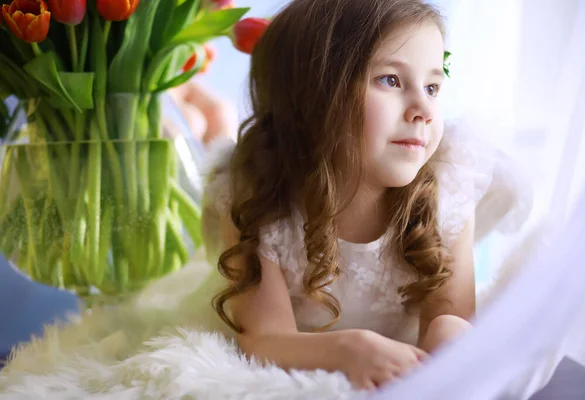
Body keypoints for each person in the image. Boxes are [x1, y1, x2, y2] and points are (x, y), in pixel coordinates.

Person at [200, 0, 530, 391]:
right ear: (311, 99)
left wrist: (447, 355)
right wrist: (348, 348)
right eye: (390, 80)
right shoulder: (256, 195)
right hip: (306, 353)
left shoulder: (447, 180)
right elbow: (264, 340)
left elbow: (450, 315)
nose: (424, 108)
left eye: (433, 86)